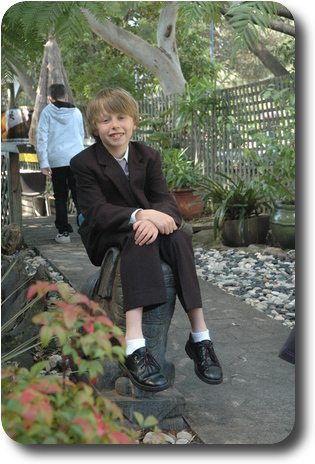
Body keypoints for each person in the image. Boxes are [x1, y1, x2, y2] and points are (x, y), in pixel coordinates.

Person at [70, 87, 223, 392]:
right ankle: (134, 344)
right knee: (139, 238)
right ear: (94, 127)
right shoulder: (83, 163)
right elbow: (97, 212)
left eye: (121, 117)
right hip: (106, 234)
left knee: (179, 239)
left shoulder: (147, 156)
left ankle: (200, 338)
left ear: (134, 122)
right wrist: (141, 216)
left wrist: (155, 219)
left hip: (144, 226)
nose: (114, 125)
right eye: (105, 120)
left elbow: (165, 201)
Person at [37, 83, 85, 243]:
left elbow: (42, 137)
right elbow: (81, 135)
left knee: (60, 196)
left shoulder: (47, 112)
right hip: (76, 158)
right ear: (66, 97)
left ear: (49, 98)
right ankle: (85, 228)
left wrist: (43, 162)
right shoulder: (76, 112)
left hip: (56, 160)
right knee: (79, 194)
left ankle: (64, 233)